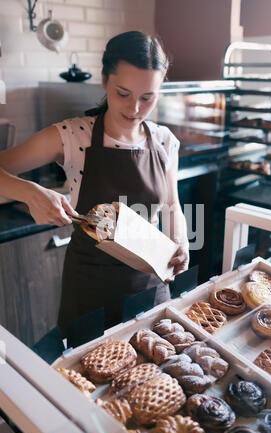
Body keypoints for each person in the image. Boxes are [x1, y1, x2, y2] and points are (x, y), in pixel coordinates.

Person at [0, 31, 189, 335]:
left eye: (147, 97)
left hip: (150, 285)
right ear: (104, 80)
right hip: (89, 292)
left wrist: (180, 238)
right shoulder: (72, 136)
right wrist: (29, 192)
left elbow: (171, 204)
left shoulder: (165, 141)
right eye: (123, 93)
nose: (135, 108)